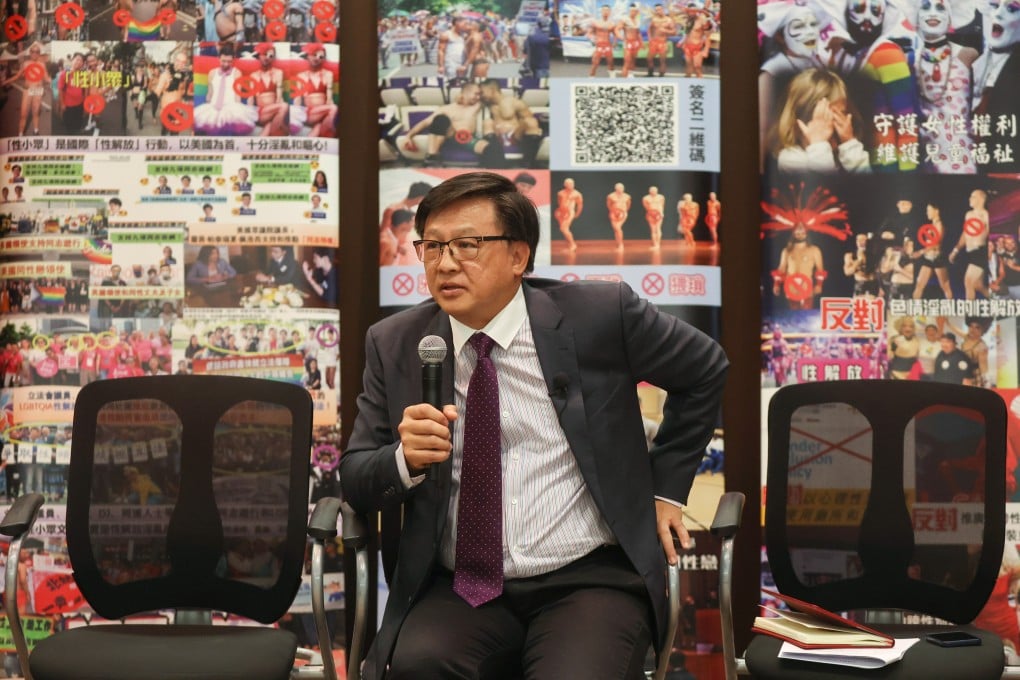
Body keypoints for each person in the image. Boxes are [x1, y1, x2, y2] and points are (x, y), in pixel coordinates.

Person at [340, 172, 728, 680]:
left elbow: (706, 369)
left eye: (467, 245)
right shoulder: (395, 343)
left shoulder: (600, 315)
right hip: (459, 584)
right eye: (431, 247)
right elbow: (355, 475)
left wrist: (667, 490)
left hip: (590, 578)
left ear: (518, 256)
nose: (446, 263)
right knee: (419, 668)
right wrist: (403, 459)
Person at [913, 0, 977, 173]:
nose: (933, 13)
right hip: (926, 158)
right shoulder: (908, 59)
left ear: (950, 19)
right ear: (916, 17)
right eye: (926, 7)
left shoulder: (968, 55)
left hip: (961, 155)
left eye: (940, 8)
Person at [772, 68, 869, 174]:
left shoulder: (841, 151)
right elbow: (827, 187)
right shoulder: (790, 158)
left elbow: (869, 186)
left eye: (839, 114)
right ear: (800, 122)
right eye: (825, 118)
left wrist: (850, 144)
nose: (833, 128)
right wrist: (819, 144)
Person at [400, 82, 482, 167]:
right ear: (465, 93)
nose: (478, 97)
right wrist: (408, 136)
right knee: (441, 119)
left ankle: (431, 158)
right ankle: (432, 156)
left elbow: (491, 92)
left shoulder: (476, 105)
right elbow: (425, 122)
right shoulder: (446, 109)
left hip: (467, 138)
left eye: (480, 95)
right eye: (476, 94)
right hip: (452, 137)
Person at [194, 43, 258, 136]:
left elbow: (237, 94)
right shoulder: (212, 73)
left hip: (230, 107)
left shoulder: (236, 73)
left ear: (233, 60)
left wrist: (238, 111)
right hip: (213, 107)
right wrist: (207, 108)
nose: (226, 64)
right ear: (218, 58)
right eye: (223, 61)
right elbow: (210, 93)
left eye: (229, 61)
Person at [478, 79, 544, 169]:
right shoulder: (485, 104)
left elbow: (529, 118)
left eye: (482, 92)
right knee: (487, 123)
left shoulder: (514, 102)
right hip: (496, 139)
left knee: (531, 122)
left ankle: (528, 163)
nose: (481, 95)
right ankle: (497, 164)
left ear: (492, 90)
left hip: (515, 136)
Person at [772, 222, 826, 310]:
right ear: (793, 234)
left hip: (806, 287)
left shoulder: (815, 250)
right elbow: (781, 269)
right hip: (791, 288)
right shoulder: (786, 251)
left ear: (806, 234)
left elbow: (820, 269)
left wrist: (819, 285)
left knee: (806, 314)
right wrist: (776, 284)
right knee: (792, 315)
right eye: (797, 233)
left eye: (802, 233)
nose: (800, 235)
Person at [948, 189, 990, 300]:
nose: (970, 199)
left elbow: (991, 234)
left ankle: (969, 314)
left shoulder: (986, 215)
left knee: (968, 281)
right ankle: (997, 302)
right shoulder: (968, 214)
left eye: (973, 197)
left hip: (981, 251)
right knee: (978, 285)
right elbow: (965, 234)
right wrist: (956, 250)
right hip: (971, 251)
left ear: (981, 199)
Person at [3, 42, 49, 136]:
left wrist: (57, 81)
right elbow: (17, 76)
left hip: (38, 90)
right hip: (28, 90)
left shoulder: (42, 65)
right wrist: (5, 82)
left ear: (39, 53)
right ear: (30, 53)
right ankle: (20, 134)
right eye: (33, 51)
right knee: (24, 113)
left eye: (37, 52)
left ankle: (36, 131)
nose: (35, 53)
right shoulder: (25, 64)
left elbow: (46, 78)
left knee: (36, 112)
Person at [291, 43, 336, 138]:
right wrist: (295, 116)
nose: (317, 58)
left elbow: (329, 98)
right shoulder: (301, 76)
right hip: (309, 113)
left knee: (321, 124)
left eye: (321, 57)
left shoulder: (328, 75)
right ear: (308, 56)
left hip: (322, 113)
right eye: (314, 55)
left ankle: (310, 141)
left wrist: (329, 112)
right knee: (333, 108)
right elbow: (298, 99)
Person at [912, 201, 954, 299]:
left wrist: (920, 252)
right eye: (927, 210)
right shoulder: (932, 225)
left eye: (929, 210)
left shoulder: (939, 225)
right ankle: (914, 311)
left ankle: (951, 309)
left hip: (937, 258)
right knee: (919, 285)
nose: (927, 213)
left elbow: (936, 244)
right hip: (928, 258)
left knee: (945, 286)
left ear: (936, 211)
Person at [249, 43, 288, 137]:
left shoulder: (278, 73)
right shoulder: (253, 76)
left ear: (273, 58)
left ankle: (261, 141)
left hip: (274, 111)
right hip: (261, 113)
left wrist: (279, 110)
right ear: (259, 56)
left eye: (270, 55)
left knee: (270, 125)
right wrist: (250, 115)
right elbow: (250, 99)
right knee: (284, 106)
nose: (267, 57)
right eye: (264, 54)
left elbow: (279, 97)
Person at [587, 4, 618, 77]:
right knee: (595, 63)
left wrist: (615, 41)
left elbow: (615, 34)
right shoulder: (596, 22)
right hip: (599, 45)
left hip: (607, 45)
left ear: (610, 12)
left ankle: (612, 76)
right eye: (604, 10)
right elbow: (589, 33)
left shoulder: (612, 24)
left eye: (607, 10)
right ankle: (591, 77)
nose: (605, 12)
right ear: (601, 11)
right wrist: (592, 39)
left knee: (610, 62)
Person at [646, 3, 676, 77]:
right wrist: (650, 38)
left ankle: (661, 75)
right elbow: (649, 29)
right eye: (656, 10)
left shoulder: (668, 20)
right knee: (649, 58)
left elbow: (674, 32)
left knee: (662, 61)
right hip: (654, 42)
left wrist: (666, 31)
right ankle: (650, 73)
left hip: (663, 42)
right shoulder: (654, 19)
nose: (658, 11)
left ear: (663, 10)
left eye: (659, 9)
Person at [681, 8, 712, 78]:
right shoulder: (687, 20)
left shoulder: (702, 20)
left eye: (693, 11)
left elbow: (707, 37)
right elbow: (687, 34)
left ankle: (700, 83)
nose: (692, 13)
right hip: (687, 47)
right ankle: (686, 85)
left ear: (696, 12)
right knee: (688, 67)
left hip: (697, 47)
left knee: (697, 67)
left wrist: (706, 50)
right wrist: (683, 43)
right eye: (690, 12)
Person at [555, 177, 583, 252]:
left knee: (563, 228)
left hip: (570, 212)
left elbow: (580, 204)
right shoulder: (560, 193)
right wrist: (559, 212)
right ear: (565, 184)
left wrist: (577, 213)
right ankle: (571, 245)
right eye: (568, 183)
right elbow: (559, 202)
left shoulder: (577, 194)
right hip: (561, 212)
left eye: (571, 183)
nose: (570, 185)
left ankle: (573, 245)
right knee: (564, 229)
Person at [617, 3, 644, 78]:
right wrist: (620, 36)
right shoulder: (624, 19)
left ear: (637, 12)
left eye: (635, 11)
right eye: (632, 11)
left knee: (633, 60)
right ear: (630, 11)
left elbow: (638, 32)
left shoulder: (637, 20)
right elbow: (617, 29)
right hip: (628, 43)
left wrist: (641, 42)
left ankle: (631, 74)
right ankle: (624, 80)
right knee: (627, 62)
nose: (633, 13)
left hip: (635, 43)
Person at [608, 183, 632, 251]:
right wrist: (613, 211)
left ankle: (621, 245)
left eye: (621, 188)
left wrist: (623, 211)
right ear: (615, 188)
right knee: (616, 229)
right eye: (618, 188)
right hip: (613, 213)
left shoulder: (627, 196)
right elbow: (609, 205)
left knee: (618, 227)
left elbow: (628, 205)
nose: (620, 189)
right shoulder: (611, 196)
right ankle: (618, 244)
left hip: (622, 213)